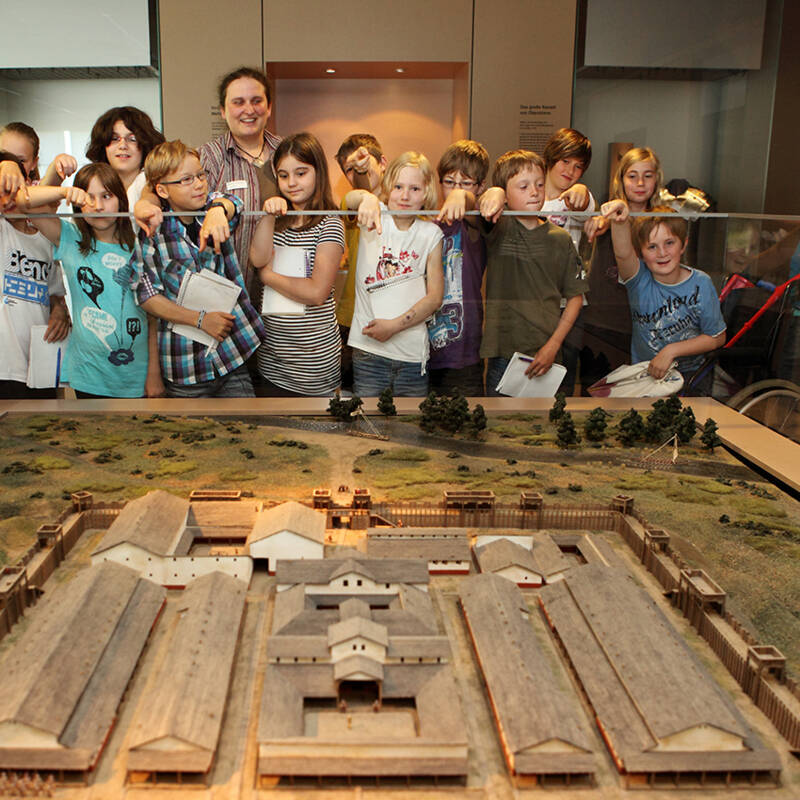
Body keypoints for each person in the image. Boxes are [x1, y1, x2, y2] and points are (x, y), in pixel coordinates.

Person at [134, 140, 265, 398]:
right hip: (186, 366)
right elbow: (147, 296)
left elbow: (233, 202)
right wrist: (201, 320)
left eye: (200, 175)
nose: (198, 184)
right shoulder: (152, 232)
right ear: (161, 190)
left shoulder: (213, 207)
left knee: (249, 428)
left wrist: (217, 211)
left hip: (232, 354)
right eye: (186, 180)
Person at [14, 163, 158, 398]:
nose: (99, 206)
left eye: (106, 196)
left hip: (138, 376)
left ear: (120, 199)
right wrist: (63, 191)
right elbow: (23, 202)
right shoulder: (71, 239)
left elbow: (153, 317)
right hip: (89, 375)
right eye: (89, 198)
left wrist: (154, 373)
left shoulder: (139, 245)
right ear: (79, 203)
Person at [477, 149, 588, 396]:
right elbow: (478, 205)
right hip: (504, 354)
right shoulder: (499, 228)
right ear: (506, 194)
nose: (535, 192)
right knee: (498, 428)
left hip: (547, 352)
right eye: (523, 186)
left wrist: (553, 345)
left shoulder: (560, 239)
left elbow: (575, 297)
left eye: (539, 184)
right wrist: (494, 192)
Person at [249, 133, 345, 396]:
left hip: (313, 363)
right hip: (273, 361)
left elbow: (316, 292)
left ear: (318, 172)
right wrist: (268, 216)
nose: (291, 183)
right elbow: (257, 258)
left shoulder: (329, 222)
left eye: (301, 173)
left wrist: (268, 277)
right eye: (283, 175)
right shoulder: (278, 221)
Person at [345, 151, 444, 396]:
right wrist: (367, 197)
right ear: (389, 186)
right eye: (398, 186)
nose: (405, 196)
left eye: (414, 189)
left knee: (410, 430)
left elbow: (435, 298)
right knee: (368, 427)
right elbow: (350, 199)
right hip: (369, 353)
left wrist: (394, 326)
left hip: (412, 356)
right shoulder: (374, 216)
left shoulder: (431, 234)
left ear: (427, 192)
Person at [602, 199, 726, 392]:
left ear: (683, 245)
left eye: (669, 243)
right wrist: (619, 221)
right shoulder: (638, 279)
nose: (662, 253)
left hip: (693, 378)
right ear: (641, 253)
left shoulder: (701, 283)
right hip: (647, 378)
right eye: (652, 247)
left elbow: (717, 337)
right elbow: (623, 254)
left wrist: (671, 351)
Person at [578, 146, 664, 390]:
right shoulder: (607, 215)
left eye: (647, 175)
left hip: (644, 325)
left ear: (656, 179)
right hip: (601, 324)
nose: (639, 182)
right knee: (595, 395)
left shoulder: (662, 220)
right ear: (621, 179)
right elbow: (600, 220)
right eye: (632, 175)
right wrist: (602, 220)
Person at [0, 126, 70, 399]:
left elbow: (55, 293)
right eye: (6, 159)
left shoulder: (45, 234)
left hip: (40, 366)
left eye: (20, 160)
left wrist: (60, 310)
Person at [428, 139, 490, 396]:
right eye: (449, 182)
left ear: (480, 187)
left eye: (466, 183)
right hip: (422, 350)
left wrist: (461, 196)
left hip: (463, 354)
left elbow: (477, 204)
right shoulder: (427, 223)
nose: (456, 188)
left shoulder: (476, 225)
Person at [334, 133, 388, 390]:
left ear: (383, 162)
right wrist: (368, 198)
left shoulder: (404, 202)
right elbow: (353, 199)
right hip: (351, 318)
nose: (358, 170)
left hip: (392, 319)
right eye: (349, 169)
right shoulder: (351, 203)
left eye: (365, 162)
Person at [86, 107, 165, 207]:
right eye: (114, 138)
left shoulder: (159, 185)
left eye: (132, 139)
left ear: (145, 145)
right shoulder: (92, 184)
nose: (122, 145)